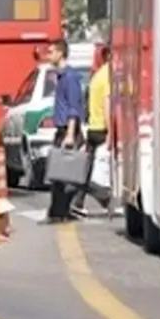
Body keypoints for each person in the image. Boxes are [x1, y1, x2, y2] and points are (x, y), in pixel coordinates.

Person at [43, 39, 86, 224]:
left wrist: (70, 134)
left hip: (68, 130)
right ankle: (57, 211)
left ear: (61, 53)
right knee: (58, 172)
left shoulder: (70, 78)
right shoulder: (61, 76)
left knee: (67, 172)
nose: (48, 55)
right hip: (61, 129)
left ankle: (61, 211)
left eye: (51, 51)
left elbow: (73, 108)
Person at [71, 47, 112, 216]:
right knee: (99, 170)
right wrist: (111, 131)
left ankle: (78, 201)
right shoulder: (108, 76)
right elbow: (107, 103)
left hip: (94, 127)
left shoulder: (97, 76)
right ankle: (106, 198)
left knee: (87, 170)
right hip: (102, 128)